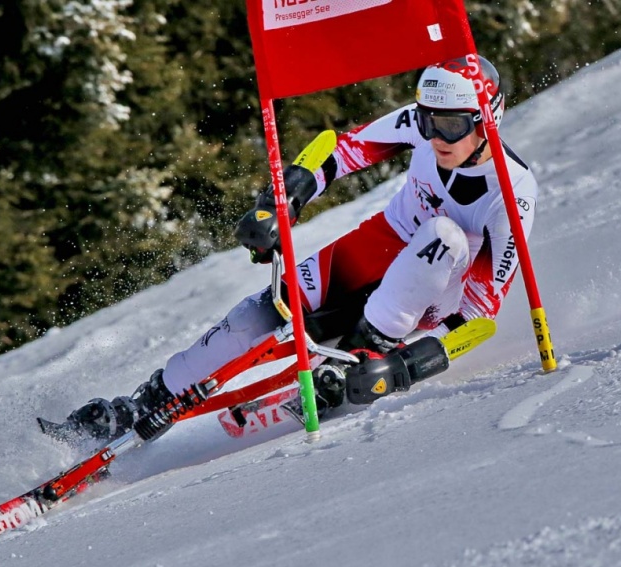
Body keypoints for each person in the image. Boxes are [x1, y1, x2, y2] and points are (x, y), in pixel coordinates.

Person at [46, 54, 538, 443]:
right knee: (267, 311)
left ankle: (367, 348)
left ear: (486, 120)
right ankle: (146, 402)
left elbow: (480, 312)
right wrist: (277, 205)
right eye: (429, 122)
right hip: (377, 244)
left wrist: (408, 367)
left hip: (433, 290)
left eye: (451, 126)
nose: (436, 137)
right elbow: (339, 149)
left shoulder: (510, 191)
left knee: (443, 235)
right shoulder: (425, 122)